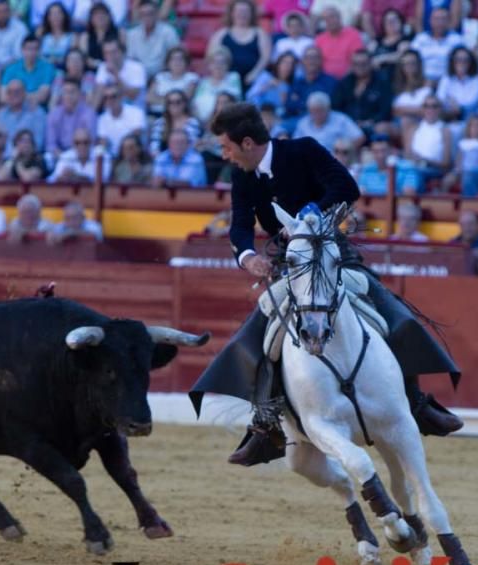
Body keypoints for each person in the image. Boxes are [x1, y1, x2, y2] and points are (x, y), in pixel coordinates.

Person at [191, 102, 463, 467]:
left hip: (334, 254)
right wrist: (248, 257)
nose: (224, 154)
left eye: (226, 147)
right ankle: (266, 422)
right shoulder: (243, 175)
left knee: (390, 310)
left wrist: (311, 214)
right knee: (263, 326)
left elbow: (346, 186)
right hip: (291, 264)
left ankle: (415, 401)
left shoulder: (302, 150)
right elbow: (240, 225)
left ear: (248, 143)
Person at [293, 91, 365, 153]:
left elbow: (359, 138)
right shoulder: (303, 123)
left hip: (335, 162)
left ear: (328, 108)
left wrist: (343, 152)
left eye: (319, 110)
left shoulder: (341, 120)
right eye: (313, 111)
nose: (316, 115)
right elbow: (295, 145)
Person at [125, 0, 180, 79]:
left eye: (150, 14)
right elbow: (130, 60)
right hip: (138, 77)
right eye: (143, 14)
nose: (147, 17)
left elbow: (175, 57)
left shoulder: (168, 32)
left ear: (156, 14)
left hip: (162, 76)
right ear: (140, 16)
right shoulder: (132, 34)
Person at [46, 79, 97, 154]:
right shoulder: (54, 114)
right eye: (65, 92)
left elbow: (91, 141)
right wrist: (61, 155)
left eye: (72, 92)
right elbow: (50, 144)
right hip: (59, 155)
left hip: (82, 153)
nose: (68, 96)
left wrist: (73, 155)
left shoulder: (89, 113)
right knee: (48, 156)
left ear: (80, 94)